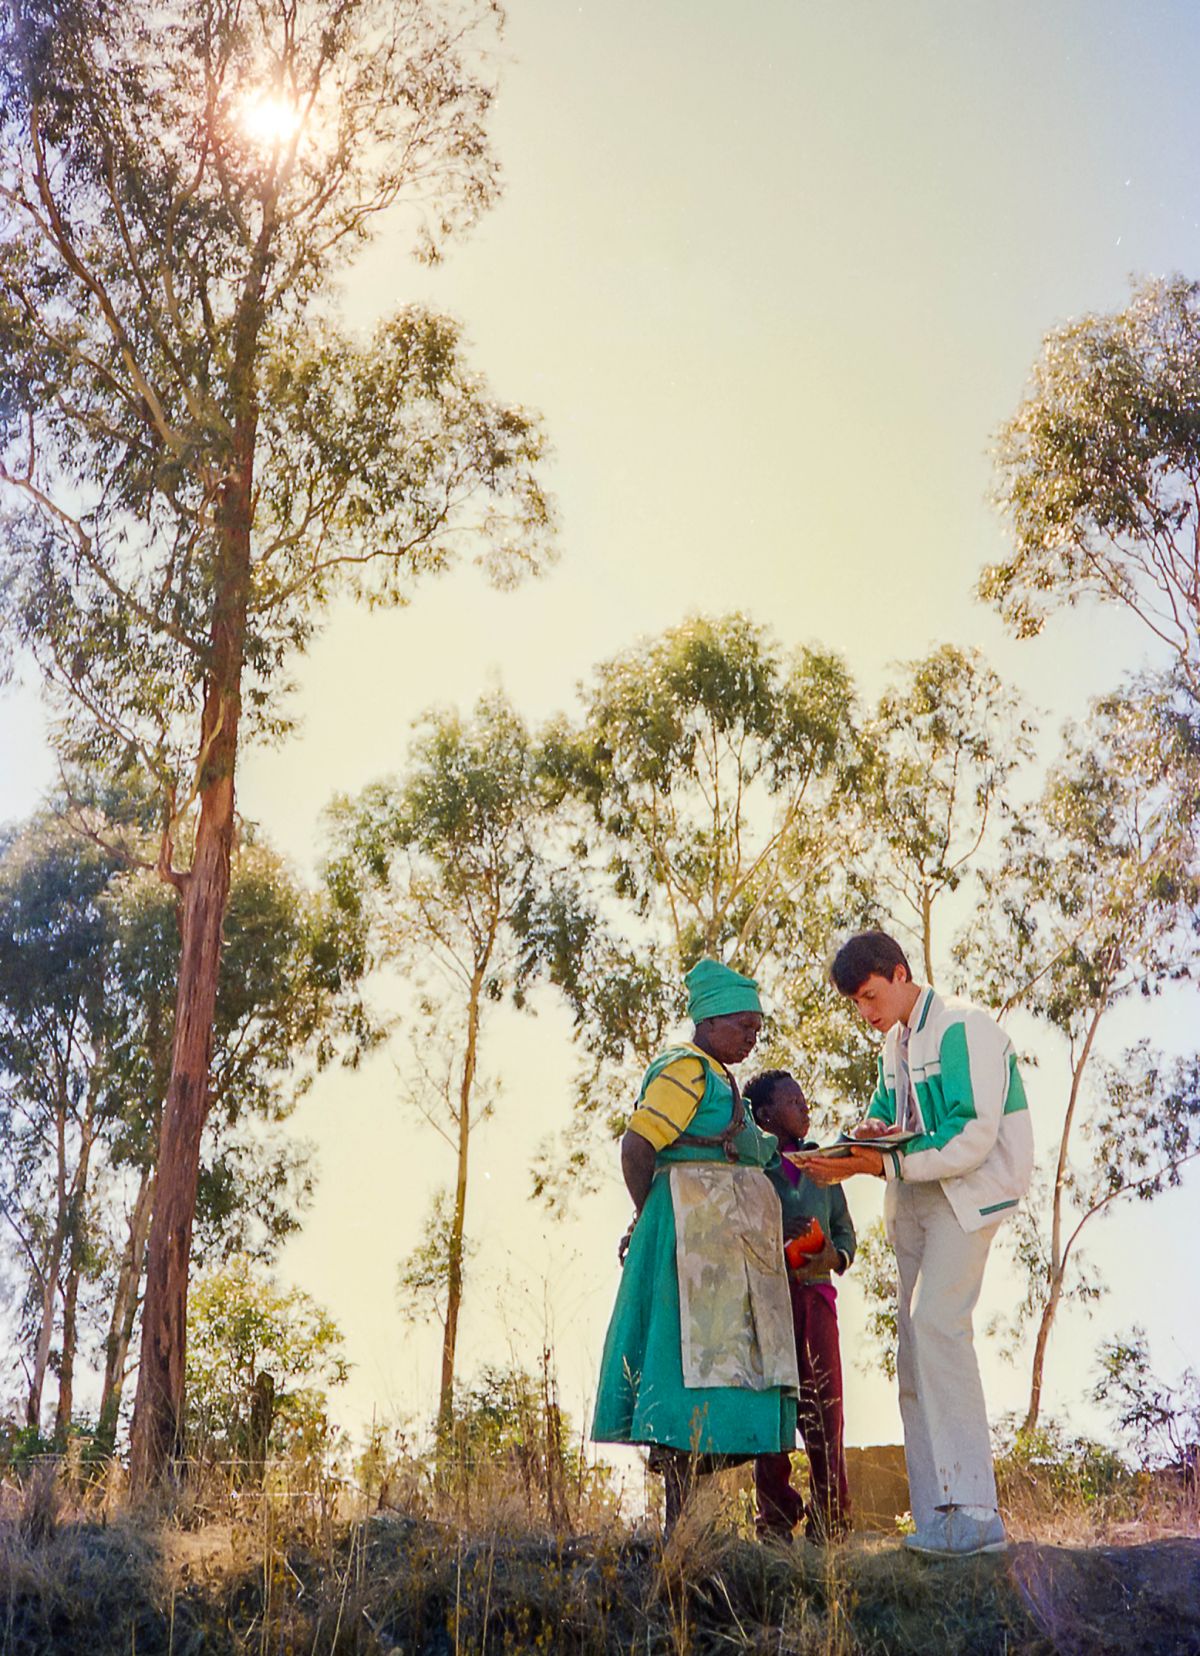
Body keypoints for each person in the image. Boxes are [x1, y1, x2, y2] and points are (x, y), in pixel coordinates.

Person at [802, 930, 1033, 1559]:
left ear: (901, 974)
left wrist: (879, 1166)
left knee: (938, 1326)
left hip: (966, 1195)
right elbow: (887, 1117)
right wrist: (860, 1142)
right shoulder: (895, 1045)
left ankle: (976, 1514)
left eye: (873, 995)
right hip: (914, 1202)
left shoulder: (963, 1026)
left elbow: (973, 1134)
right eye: (858, 1004)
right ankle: (938, 1518)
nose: (868, 1012)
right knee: (913, 1350)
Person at [591, 958, 800, 1533]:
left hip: (718, 1260)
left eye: (758, 1029)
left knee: (711, 1376)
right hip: (691, 1253)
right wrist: (652, 1218)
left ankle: (689, 1536)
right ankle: (678, 1538)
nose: (752, 1039)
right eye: (743, 1026)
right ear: (707, 1022)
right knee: (688, 1375)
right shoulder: (686, 1070)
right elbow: (639, 1146)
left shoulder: (716, 1077)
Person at [744, 1068, 856, 1543]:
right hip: (770, 1302)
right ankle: (774, 1518)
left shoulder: (823, 1166)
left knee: (826, 1409)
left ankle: (831, 1519)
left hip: (817, 1301)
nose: (804, 1108)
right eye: (793, 1102)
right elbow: (739, 1231)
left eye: (805, 1100)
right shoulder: (753, 1171)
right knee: (774, 1410)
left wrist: (834, 1254)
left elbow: (847, 1234)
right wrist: (775, 1239)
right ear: (765, 1114)